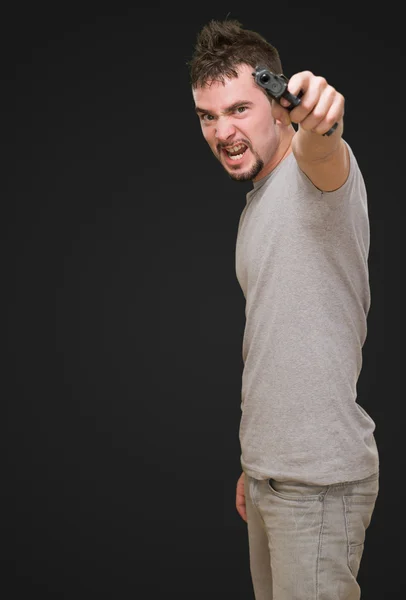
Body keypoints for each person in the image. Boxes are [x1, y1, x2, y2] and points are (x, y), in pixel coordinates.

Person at [188, 18, 380, 600]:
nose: (223, 131)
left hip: (318, 485)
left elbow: (324, 145)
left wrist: (323, 119)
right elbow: (274, 343)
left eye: (239, 109)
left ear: (278, 106)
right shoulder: (257, 207)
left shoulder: (313, 173)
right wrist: (255, 463)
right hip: (275, 477)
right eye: (208, 116)